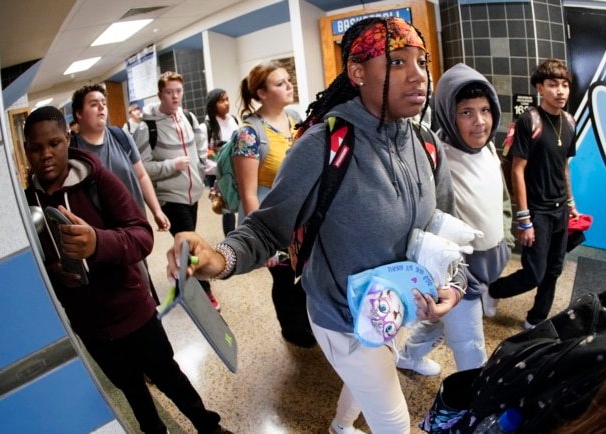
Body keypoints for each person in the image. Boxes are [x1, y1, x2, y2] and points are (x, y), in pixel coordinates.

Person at [166, 17, 463, 434]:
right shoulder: (325, 145)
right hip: (342, 316)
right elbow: (269, 229)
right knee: (393, 421)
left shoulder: (426, 144)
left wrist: (453, 285)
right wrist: (220, 257)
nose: (418, 75)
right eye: (397, 62)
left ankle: (341, 426)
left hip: (394, 309)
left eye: (421, 61)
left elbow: (445, 232)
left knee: (367, 379)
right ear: (358, 73)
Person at [23, 106, 231, 434]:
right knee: (131, 390)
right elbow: (32, 266)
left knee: (167, 376)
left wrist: (97, 243)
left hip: (132, 312)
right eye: (35, 148)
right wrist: (53, 271)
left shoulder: (96, 180)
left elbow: (141, 235)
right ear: (26, 151)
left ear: (67, 139)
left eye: (54, 143)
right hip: (89, 325)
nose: (45, 154)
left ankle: (209, 427)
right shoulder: (27, 204)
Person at [397, 63, 514, 375]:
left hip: (487, 266)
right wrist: (453, 275)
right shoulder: (436, 157)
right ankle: (471, 410)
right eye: (466, 113)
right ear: (448, 113)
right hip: (457, 279)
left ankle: (408, 355)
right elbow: (425, 223)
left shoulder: (488, 148)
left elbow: (500, 197)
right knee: (472, 350)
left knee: (437, 325)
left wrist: (506, 239)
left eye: (485, 110)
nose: (480, 122)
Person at [487, 58, 579, 329]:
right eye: (553, 85)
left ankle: (535, 319)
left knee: (554, 270)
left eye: (564, 85)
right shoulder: (530, 120)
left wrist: (571, 202)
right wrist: (524, 218)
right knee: (534, 273)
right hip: (536, 210)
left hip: (560, 209)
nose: (560, 91)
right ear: (540, 87)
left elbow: (564, 166)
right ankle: (492, 290)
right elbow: (518, 170)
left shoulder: (570, 122)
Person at [231, 62, 315, 348]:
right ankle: (290, 328)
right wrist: (263, 241)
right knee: (284, 280)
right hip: (274, 224)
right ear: (262, 93)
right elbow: (248, 193)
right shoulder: (249, 134)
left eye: (288, 80)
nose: (289, 85)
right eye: (280, 83)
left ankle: (305, 321)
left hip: (301, 220)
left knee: (304, 275)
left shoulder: (294, 119)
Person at [70, 83, 170, 305]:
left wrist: (156, 210)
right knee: (122, 290)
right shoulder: (74, 153)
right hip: (104, 236)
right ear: (78, 113)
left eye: (103, 104)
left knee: (141, 282)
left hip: (134, 228)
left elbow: (141, 176)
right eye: (94, 105)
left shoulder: (120, 137)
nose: (101, 109)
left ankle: (148, 315)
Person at [133, 71, 221, 311]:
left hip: (192, 195)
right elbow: (142, 168)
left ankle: (185, 282)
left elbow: (200, 148)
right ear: (160, 94)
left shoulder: (188, 118)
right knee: (189, 245)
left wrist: (203, 164)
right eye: (169, 92)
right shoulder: (147, 128)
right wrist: (172, 165)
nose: (175, 97)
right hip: (170, 197)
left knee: (189, 240)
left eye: (178, 91)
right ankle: (204, 294)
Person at [204, 88, 239, 236]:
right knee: (227, 208)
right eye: (221, 101)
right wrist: (218, 169)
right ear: (213, 105)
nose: (226, 103)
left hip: (237, 169)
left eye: (227, 99)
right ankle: (230, 238)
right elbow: (204, 155)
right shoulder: (206, 126)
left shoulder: (234, 121)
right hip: (219, 172)